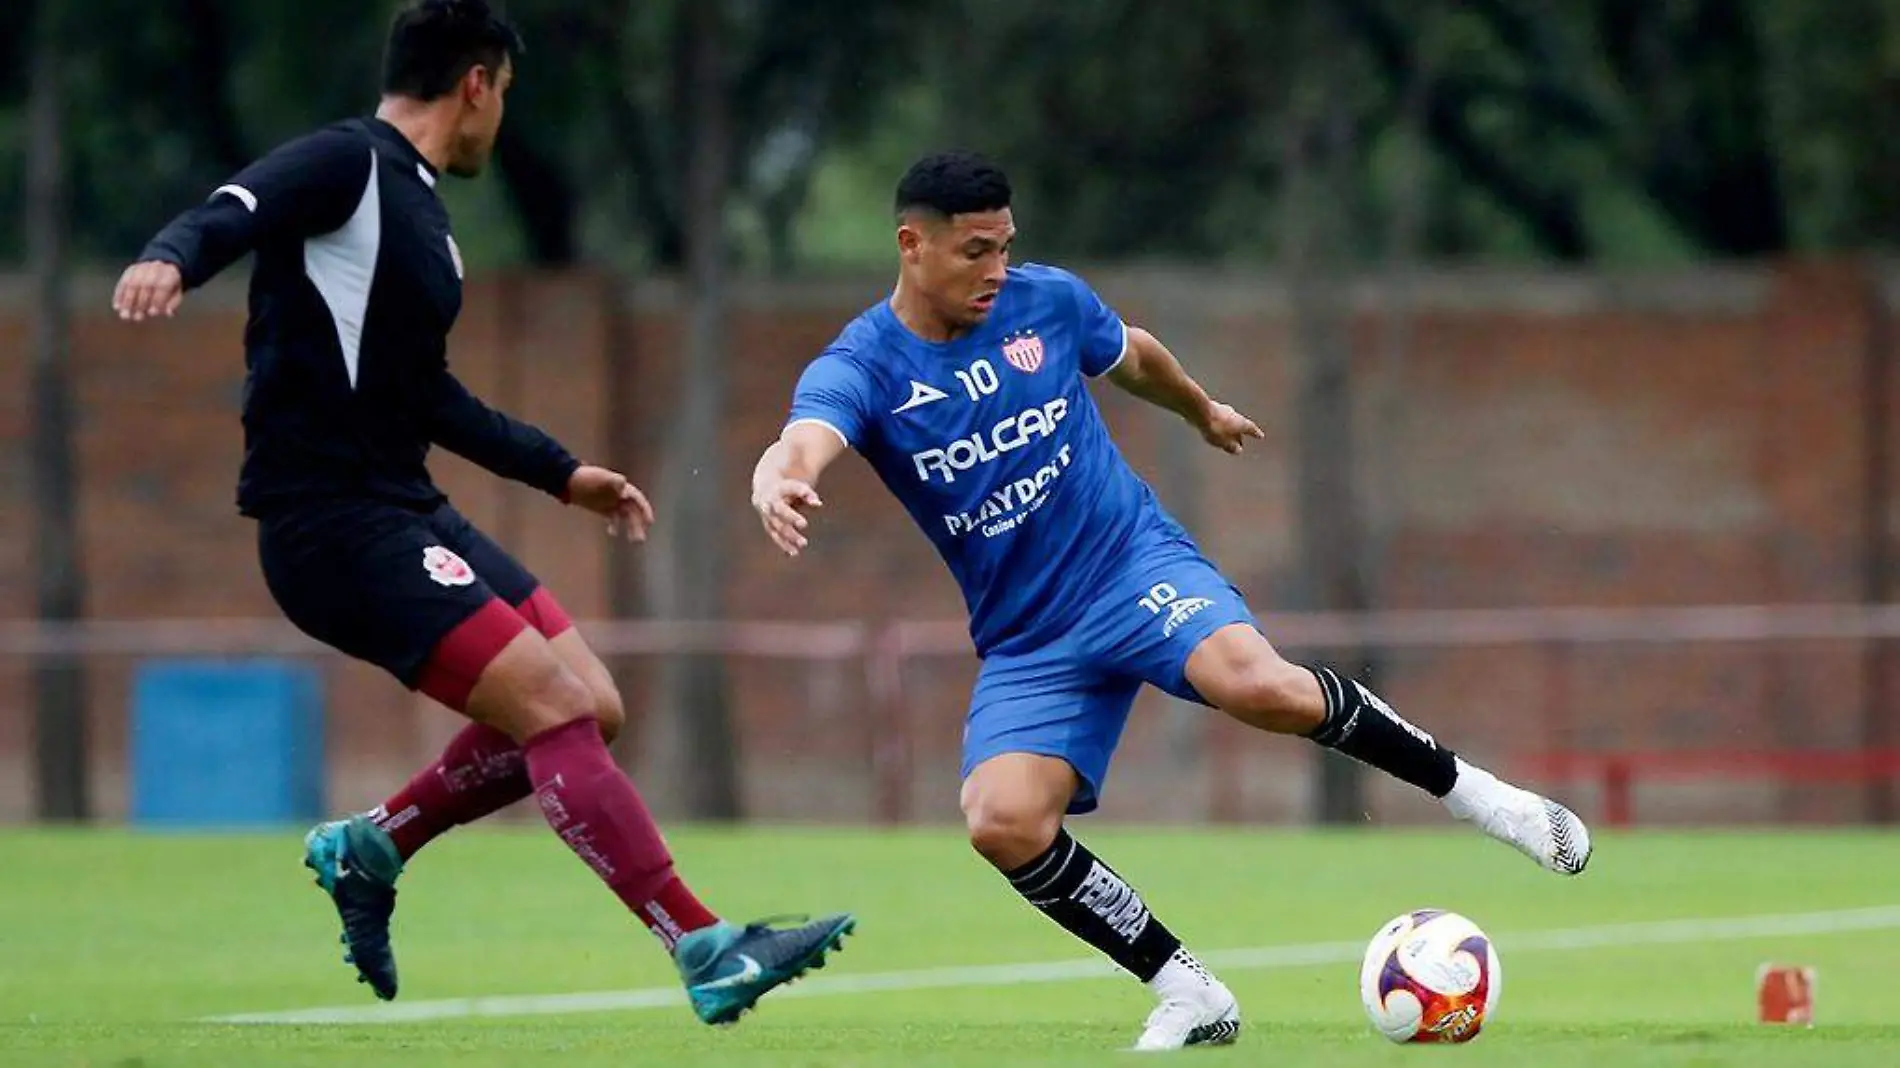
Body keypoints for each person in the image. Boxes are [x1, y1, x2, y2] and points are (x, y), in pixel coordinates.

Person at [111, 0, 851, 1026]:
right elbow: (237, 204)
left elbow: (429, 398)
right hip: (331, 526)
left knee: (590, 705)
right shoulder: (349, 164)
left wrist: (563, 473)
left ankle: (374, 846)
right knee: (552, 711)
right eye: (503, 93)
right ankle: (702, 942)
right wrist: (170, 256)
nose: (501, 117)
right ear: (476, 83)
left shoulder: (425, 224)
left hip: (406, 508)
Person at [749, 151, 1592, 1051]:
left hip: (1128, 563)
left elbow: (1134, 356)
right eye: (974, 252)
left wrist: (1200, 409)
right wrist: (778, 481)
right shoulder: (866, 363)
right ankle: (1188, 991)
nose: (997, 269)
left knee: (1256, 685)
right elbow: (803, 438)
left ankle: (1481, 797)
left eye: (1005, 246)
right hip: (1028, 637)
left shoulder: (1048, 302)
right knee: (1001, 821)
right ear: (911, 245)